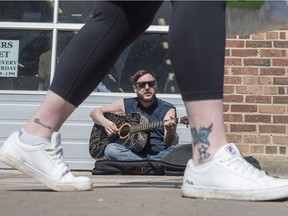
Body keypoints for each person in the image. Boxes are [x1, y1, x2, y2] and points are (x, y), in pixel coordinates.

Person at [0, 1, 288, 200]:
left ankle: (36, 134)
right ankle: (209, 155)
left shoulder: (162, 109)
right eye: (143, 84)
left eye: (151, 83)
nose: (148, 87)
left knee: (125, 12)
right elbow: (99, 111)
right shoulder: (128, 104)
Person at [90, 69, 178, 161]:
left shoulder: (167, 108)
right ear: (135, 88)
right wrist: (106, 123)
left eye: (150, 84)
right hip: (131, 153)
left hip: (158, 153)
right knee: (111, 149)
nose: (147, 87)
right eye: (141, 85)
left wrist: (171, 130)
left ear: (155, 86)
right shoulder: (125, 104)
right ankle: (148, 164)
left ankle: (141, 164)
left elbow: (168, 143)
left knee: (181, 149)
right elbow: (94, 112)